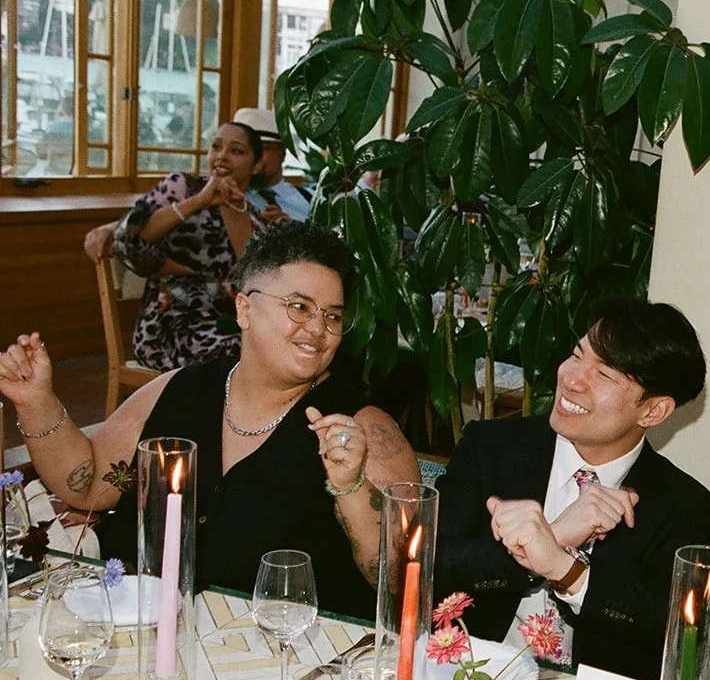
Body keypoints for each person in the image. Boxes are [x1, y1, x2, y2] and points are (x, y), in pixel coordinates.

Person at [0, 221, 418, 619]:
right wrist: (37, 401)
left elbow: (400, 579)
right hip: (143, 623)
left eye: (332, 315)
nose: (318, 329)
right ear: (245, 308)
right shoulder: (178, 390)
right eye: (299, 307)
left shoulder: (363, 427)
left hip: (282, 655)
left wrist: (350, 485)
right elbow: (89, 486)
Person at [434, 298, 710, 680]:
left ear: (653, 412)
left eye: (604, 374)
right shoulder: (491, 447)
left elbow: (671, 632)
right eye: (576, 354)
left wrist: (566, 570)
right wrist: (556, 534)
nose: (571, 378)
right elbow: (429, 563)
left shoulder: (684, 503)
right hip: (471, 677)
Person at [112, 122, 268, 371]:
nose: (222, 156)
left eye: (236, 151)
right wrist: (198, 201)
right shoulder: (182, 187)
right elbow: (127, 239)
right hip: (172, 325)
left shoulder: (257, 220)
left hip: (229, 325)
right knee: (242, 353)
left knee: (278, 350)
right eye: (216, 147)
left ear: (258, 165)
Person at [233, 107, 312, 223]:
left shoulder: (311, 200)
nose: (253, 157)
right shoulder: (225, 202)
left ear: (283, 153)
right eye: (242, 150)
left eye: (263, 148)